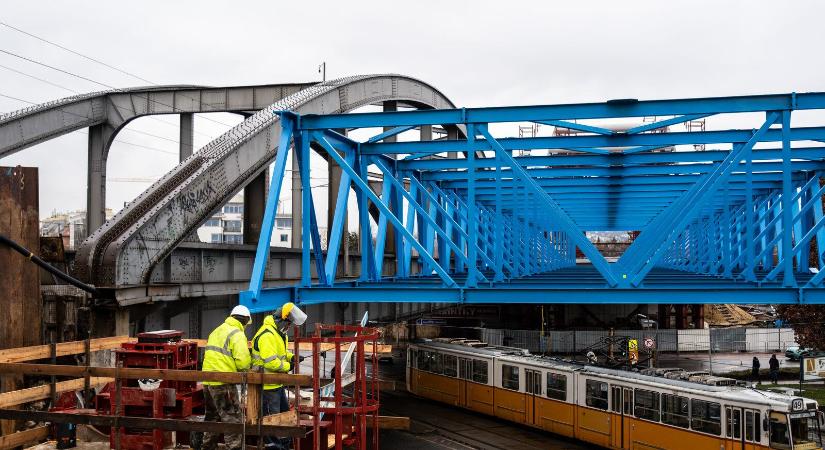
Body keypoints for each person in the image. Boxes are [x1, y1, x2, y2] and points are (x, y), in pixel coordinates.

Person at [251, 302, 307, 450]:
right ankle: (274, 447)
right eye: (288, 324)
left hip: (277, 384)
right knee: (272, 420)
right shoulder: (267, 335)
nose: (288, 328)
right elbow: (270, 362)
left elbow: (280, 353)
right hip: (268, 385)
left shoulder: (278, 333)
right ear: (281, 320)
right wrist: (289, 366)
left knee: (284, 416)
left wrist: (292, 357)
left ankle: (284, 445)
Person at [201, 305, 253, 450]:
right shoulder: (237, 333)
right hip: (223, 383)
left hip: (207, 382)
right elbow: (243, 363)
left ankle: (207, 447)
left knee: (212, 418)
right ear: (245, 321)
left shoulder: (216, 331)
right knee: (233, 420)